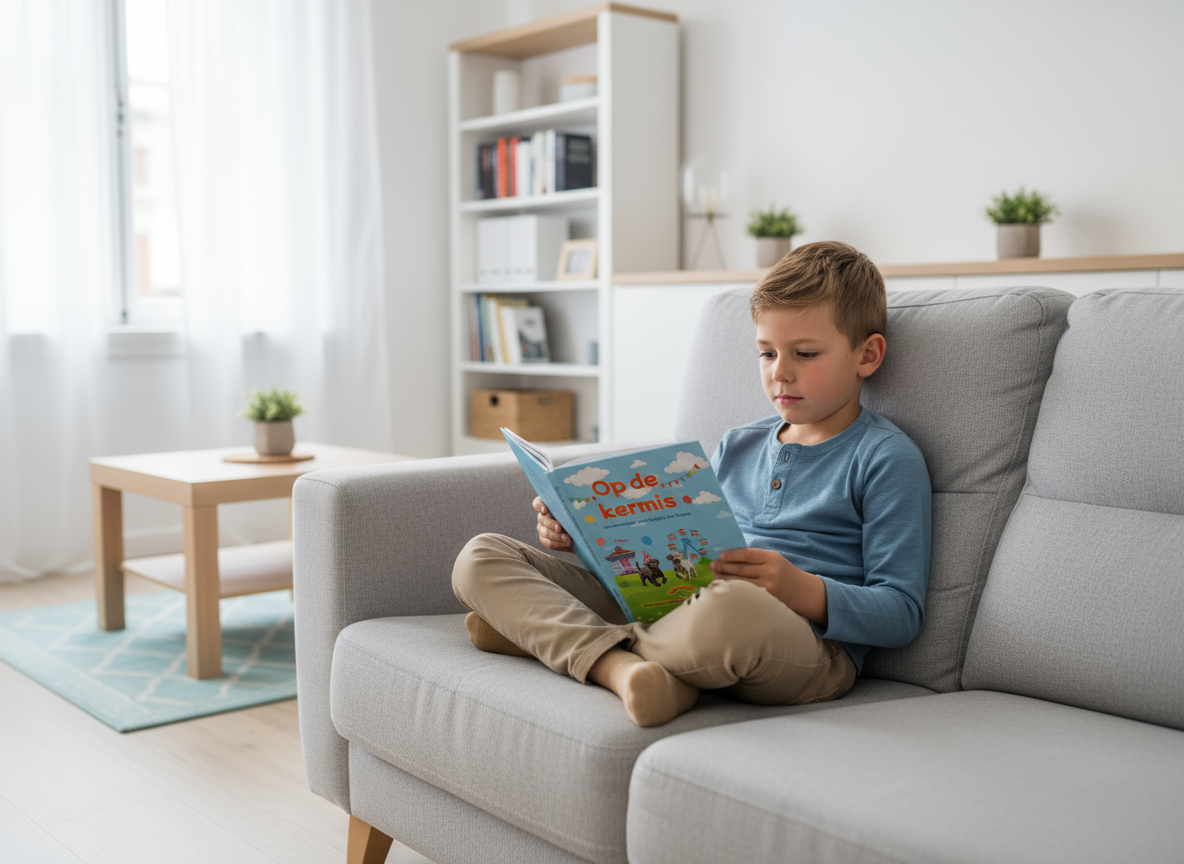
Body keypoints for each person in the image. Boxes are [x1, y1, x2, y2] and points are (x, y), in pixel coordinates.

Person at [452, 241, 932, 727]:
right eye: (766, 353)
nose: (779, 372)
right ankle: (624, 669)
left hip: (801, 644)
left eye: (804, 354)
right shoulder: (738, 444)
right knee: (481, 555)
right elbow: (683, 552)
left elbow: (902, 612)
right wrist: (586, 539)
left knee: (735, 605)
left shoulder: (885, 458)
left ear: (867, 355)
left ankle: (553, 637)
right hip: (683, 607)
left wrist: (799, 588)